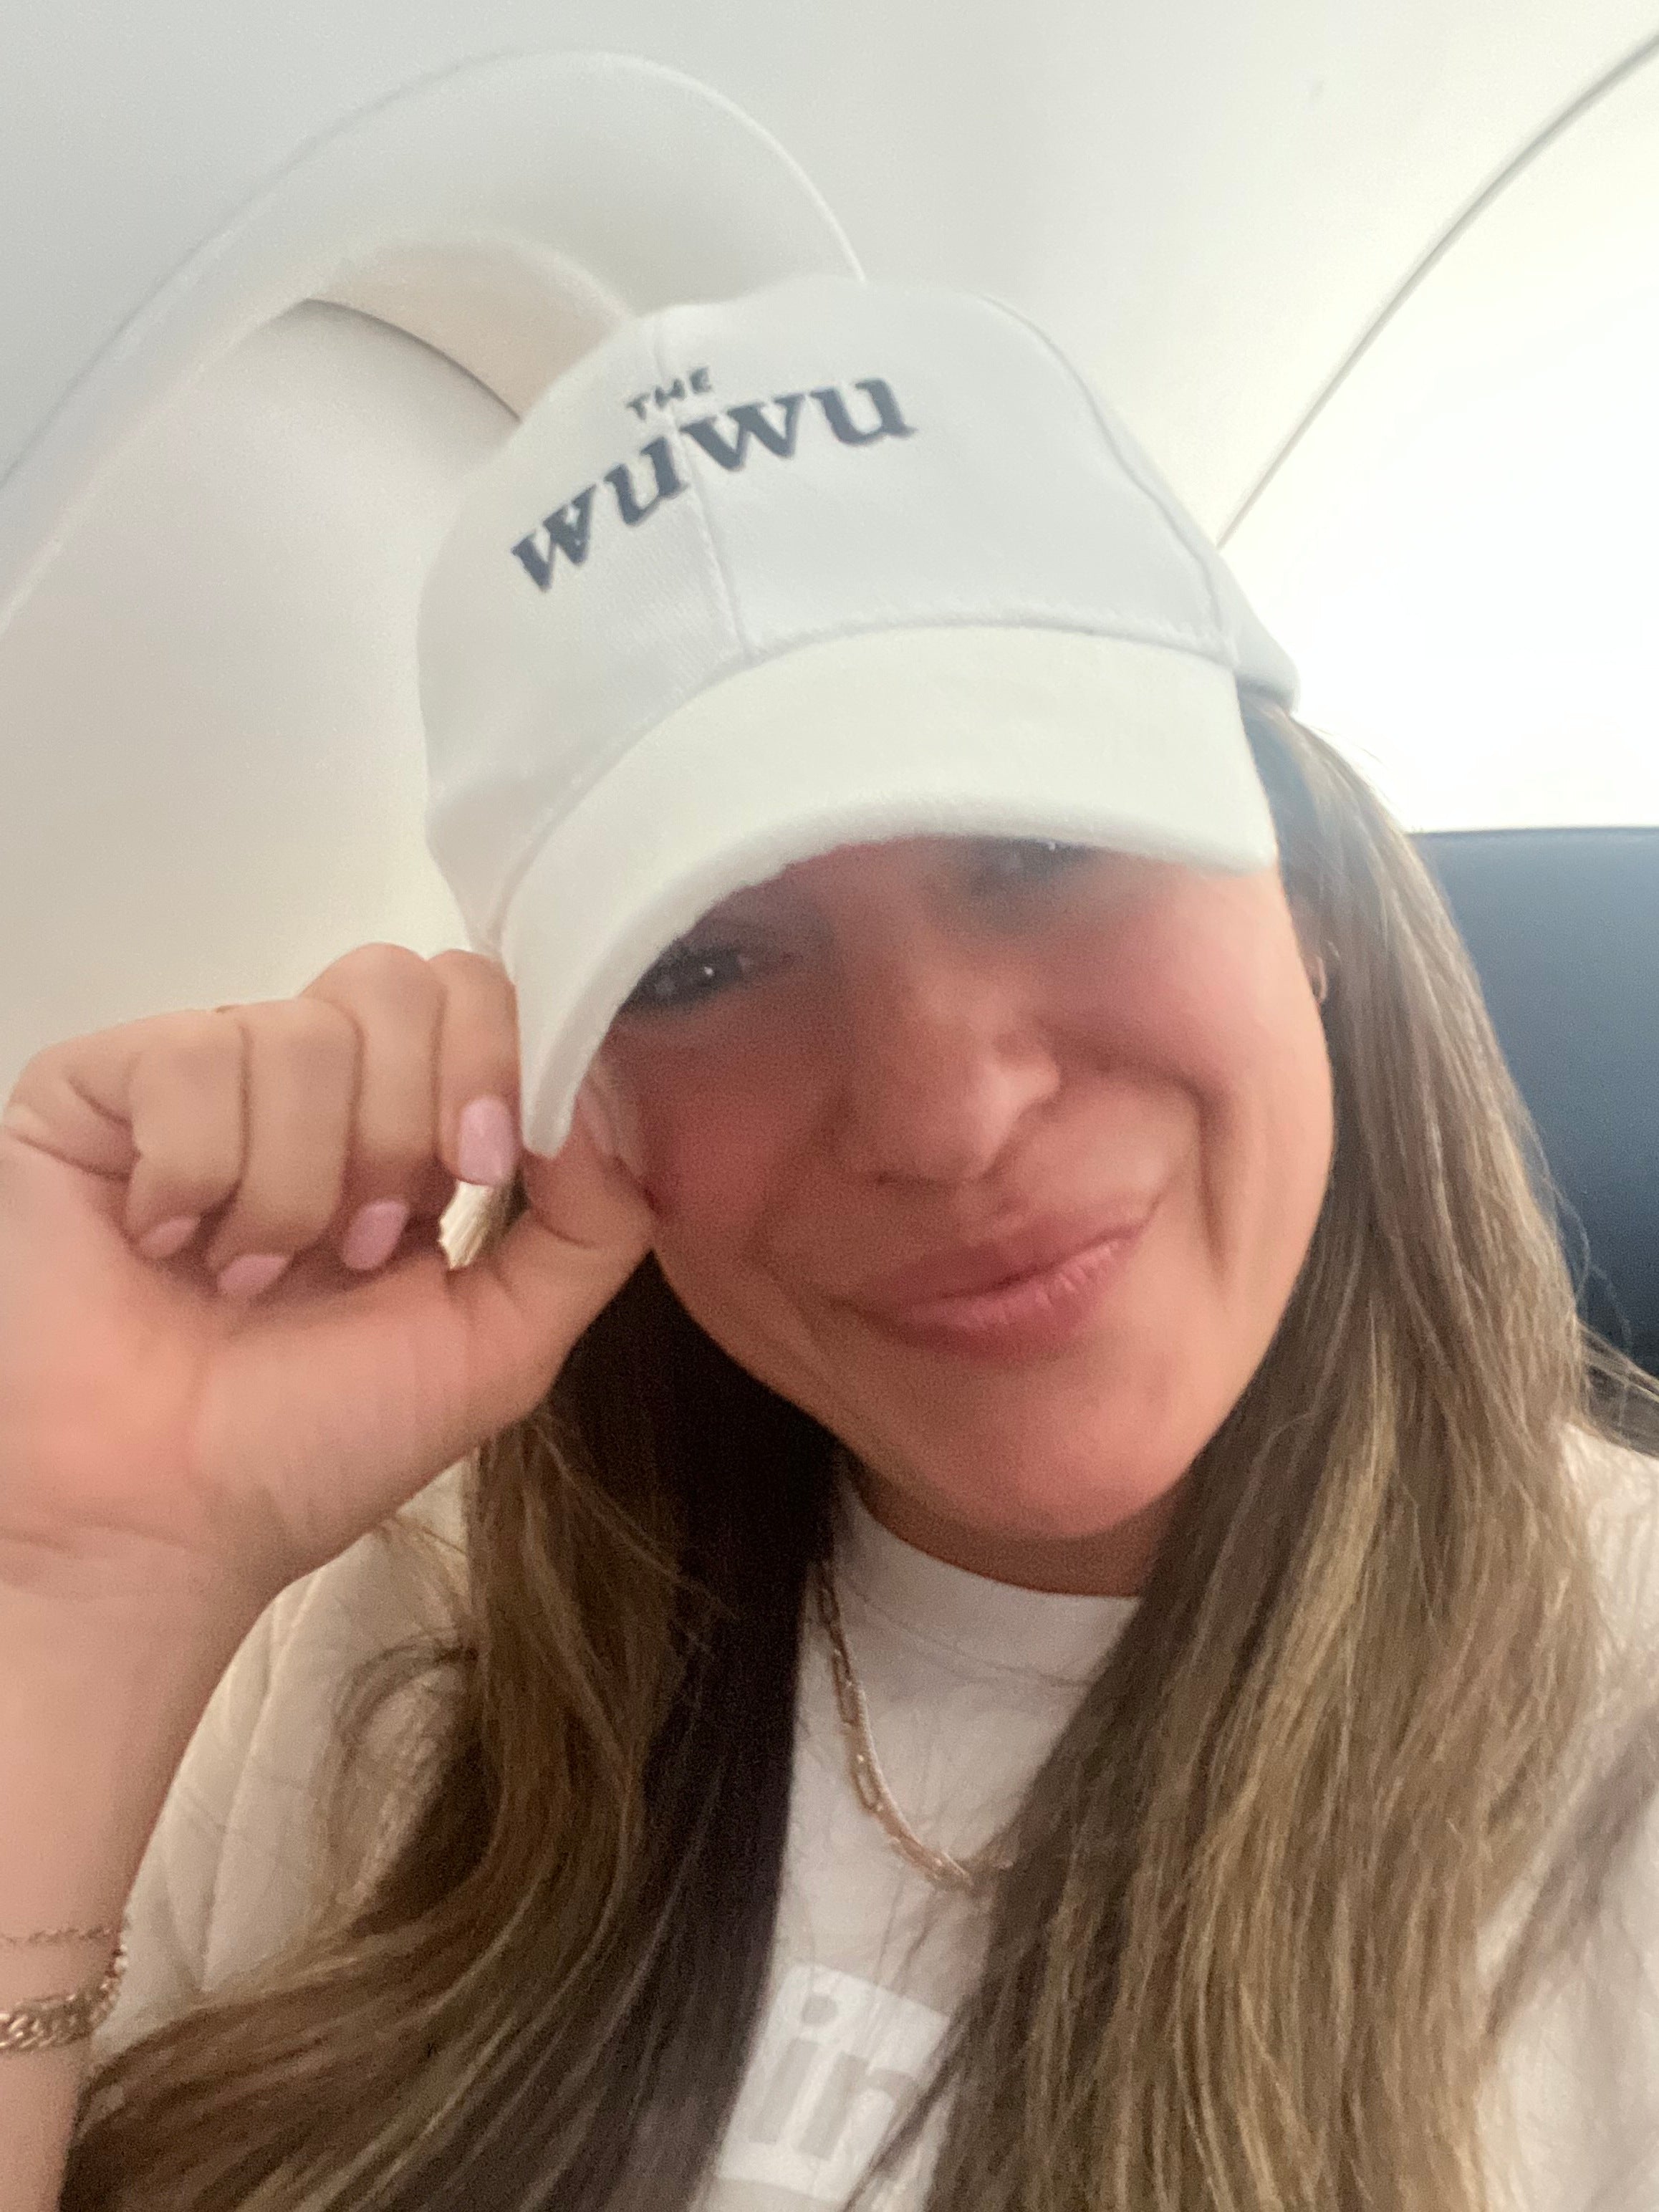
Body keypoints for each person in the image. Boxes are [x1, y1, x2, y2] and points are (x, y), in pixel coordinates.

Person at [1, 274, 1655, 2212]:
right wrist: (88, 1587)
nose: (943, 1116)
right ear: (569, 1103)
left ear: (1310, 894)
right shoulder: (377, 1630)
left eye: (1037, 847)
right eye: (703, 967)